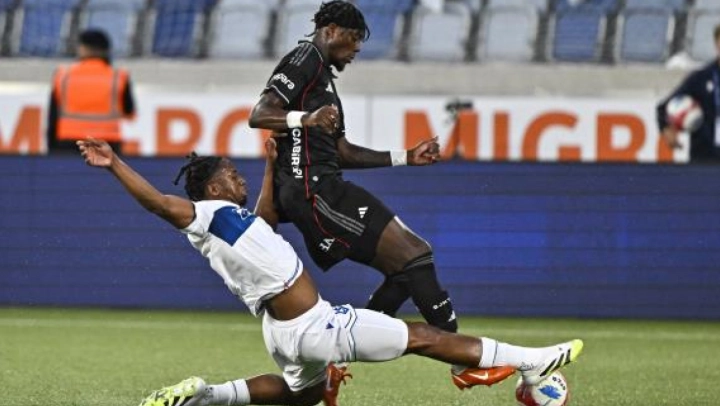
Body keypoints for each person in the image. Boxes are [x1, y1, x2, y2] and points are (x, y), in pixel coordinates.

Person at [76, 137, 583, 406]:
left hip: (283, 333)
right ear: (210, 188)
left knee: (302, 397)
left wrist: (271, 166)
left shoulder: (231, 220)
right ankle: (531, 361)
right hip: (316, 324)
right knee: (423, 337)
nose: (236, 177)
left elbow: (266, 219)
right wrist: (115, 162)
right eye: (230, 174)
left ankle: (207, 396)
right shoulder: (205, 215)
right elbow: (159, 204)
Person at [248, 1, 495, 393]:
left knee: (405, 271)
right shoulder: (303, 59)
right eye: (352, 38)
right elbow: (260, 112)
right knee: (415, 255)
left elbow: (342, 151)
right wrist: (306, 119)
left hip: (323, 187)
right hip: (316, 192)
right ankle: (463, 362)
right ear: (330, 30)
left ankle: (335, 363)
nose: (357, 48)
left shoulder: (322, 78)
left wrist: (405, 157)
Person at [47, 29, 136, 154]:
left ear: (83, 48)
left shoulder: (63, 75)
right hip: (107, 142)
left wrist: (51, 149)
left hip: (68, 143)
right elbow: (129, 113)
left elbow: (53, 116)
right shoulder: (119, 76)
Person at [657, 24, 720, 162]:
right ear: (717, 45)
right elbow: (664, 107)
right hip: (705, 159)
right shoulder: (701, 78)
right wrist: (667, 128)